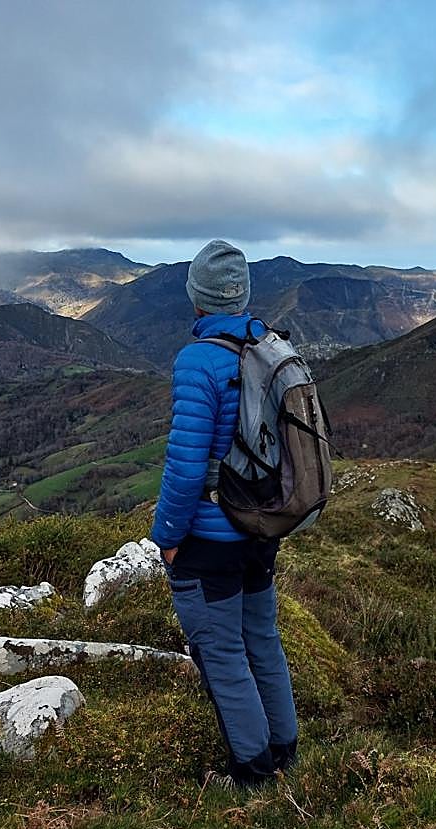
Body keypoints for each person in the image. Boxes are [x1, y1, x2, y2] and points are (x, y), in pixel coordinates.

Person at [150, 239, 299, 787]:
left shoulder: (198, 362)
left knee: (222, 654)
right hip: (262, 530)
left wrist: (167, 534)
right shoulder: (270, 348)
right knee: (263, 639)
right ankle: (286, 751)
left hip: (211, 541)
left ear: (197, 299)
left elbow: (186, 466)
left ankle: (256, 777)